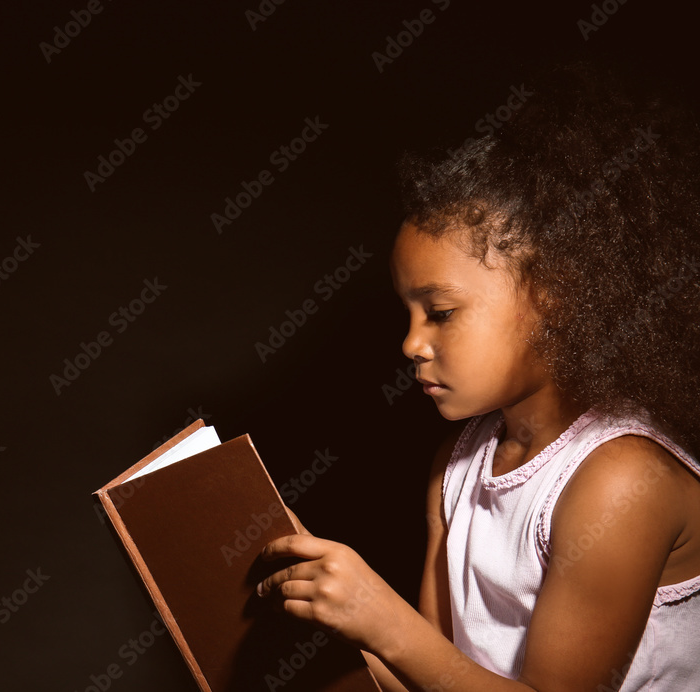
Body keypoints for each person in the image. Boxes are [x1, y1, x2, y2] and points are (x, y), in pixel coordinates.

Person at [258, 60, 700, 691]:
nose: (411, 343)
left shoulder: (621, 483)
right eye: (406, 314)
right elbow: (432, 673)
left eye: (440, 312)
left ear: (556, 297)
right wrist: (331, 601)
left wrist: (381, 618)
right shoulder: (458, 465)